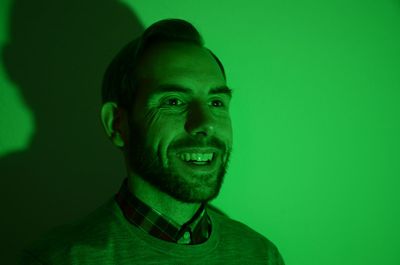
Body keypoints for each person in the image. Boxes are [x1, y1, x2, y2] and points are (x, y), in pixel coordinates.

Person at [21, 18, 285, 264]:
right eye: (173, 101)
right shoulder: (59, 259)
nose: (206, 123)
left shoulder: (261, 255)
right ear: (117, 124)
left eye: (216, 102)